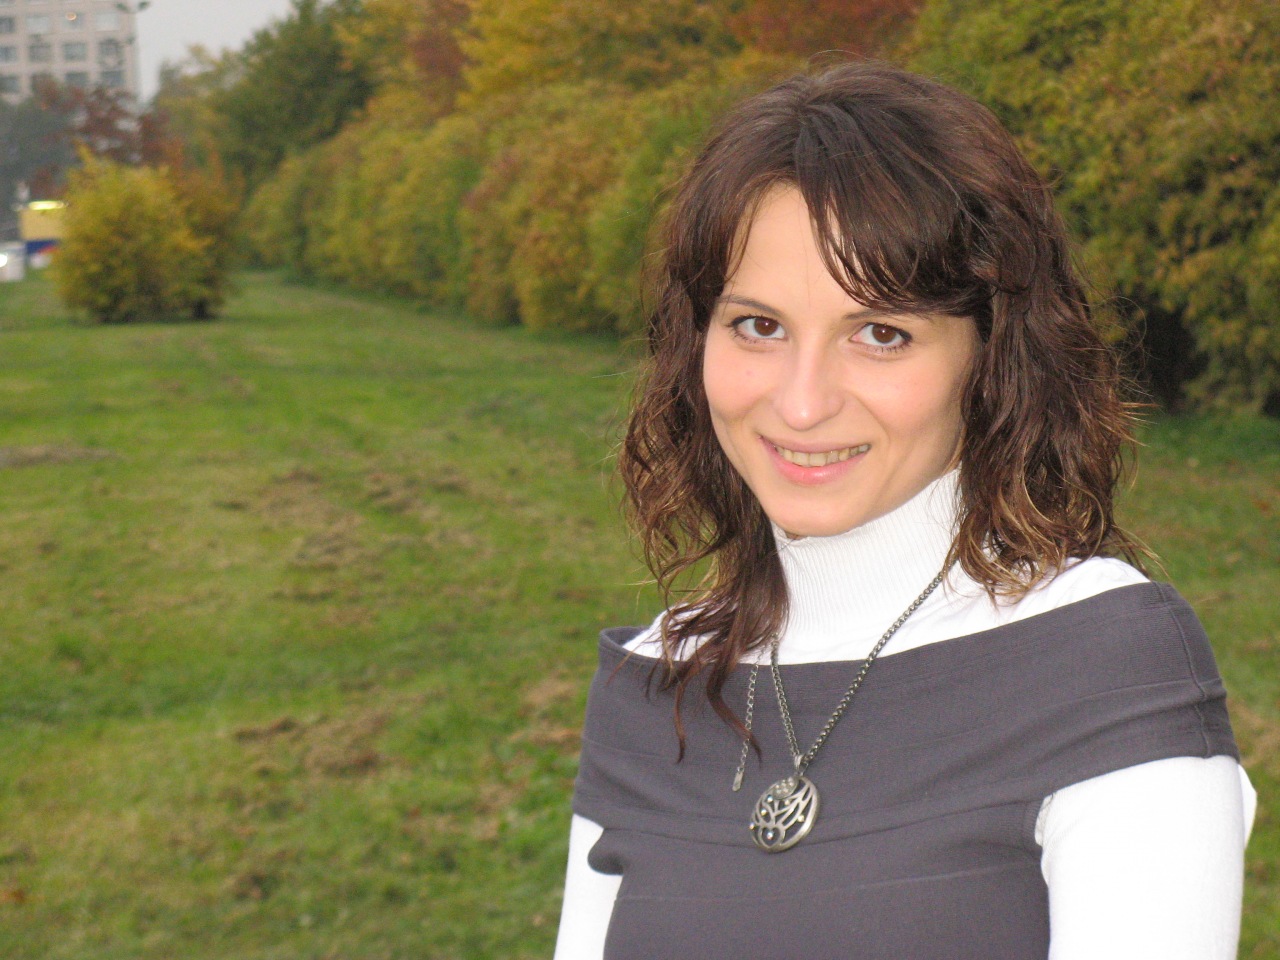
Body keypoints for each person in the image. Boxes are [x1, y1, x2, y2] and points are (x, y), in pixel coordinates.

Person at [553, 61, 1256, 960]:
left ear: (992, 358)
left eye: (880, 334)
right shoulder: (657, 683)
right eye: (758, 326)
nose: (801, 403)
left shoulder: (1102, 666)